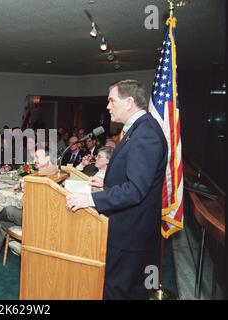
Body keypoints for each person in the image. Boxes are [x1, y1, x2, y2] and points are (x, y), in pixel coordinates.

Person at [66, 80, 168, 300]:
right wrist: (107, 184)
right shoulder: (138, 129)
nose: (108, 106)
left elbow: (136, 190)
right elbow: (138, 177)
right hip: (131, 227)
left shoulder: (145, 133)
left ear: (129, 102)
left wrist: (91, 199)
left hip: (132, 233)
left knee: (119, 291)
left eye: (112, 100)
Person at [0, 147, 53, 269]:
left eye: (38, 157)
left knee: (9, 210)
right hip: (29, 212)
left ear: (48, 158)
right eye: (34, 157)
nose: (34, 160)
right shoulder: (39, 173)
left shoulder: (53, 175)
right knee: (1, 223)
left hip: (39, 218)